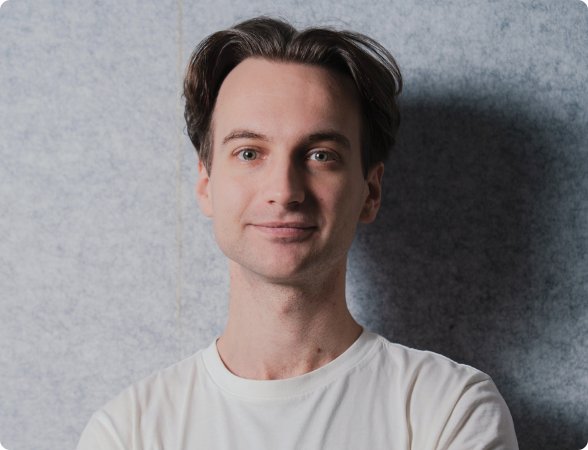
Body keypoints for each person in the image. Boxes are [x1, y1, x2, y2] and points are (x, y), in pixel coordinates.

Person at [77, 16, 519, 449]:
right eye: (249, 153)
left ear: (370, 191)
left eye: (321, 155)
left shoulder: (450, 410)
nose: (284, 191)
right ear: (206, 185)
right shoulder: (126, 433)